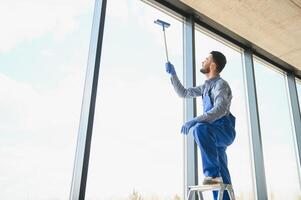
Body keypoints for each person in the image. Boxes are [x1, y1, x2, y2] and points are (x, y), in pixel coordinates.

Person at [165, 51, 236, 200]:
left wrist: (194, 120)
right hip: (213, 133)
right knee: (222, 174)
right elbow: (184, 93)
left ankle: (211, 175)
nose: (202, 61)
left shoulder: (221, 85)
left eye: (206, 59)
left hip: (223, 129)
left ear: (213, 65)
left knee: (200, 128)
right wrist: (173, 74)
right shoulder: (205, 87)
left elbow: (220, 109)